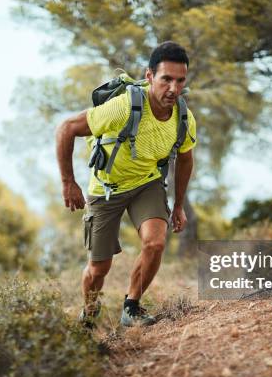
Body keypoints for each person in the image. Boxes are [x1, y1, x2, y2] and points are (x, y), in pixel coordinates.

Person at [55, 41, 197, 328]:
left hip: (146, 183)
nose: (173, 88)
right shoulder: (124, 107)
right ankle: (90, 311)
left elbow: (184, 159)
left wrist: (179, 205)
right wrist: (68, 182)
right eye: (166, 79)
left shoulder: (183, 117)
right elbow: (67, 128)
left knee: (155, 243)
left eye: (180, 81)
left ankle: (131, 307)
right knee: (99, 268)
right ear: (149, 77)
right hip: (106, 189)